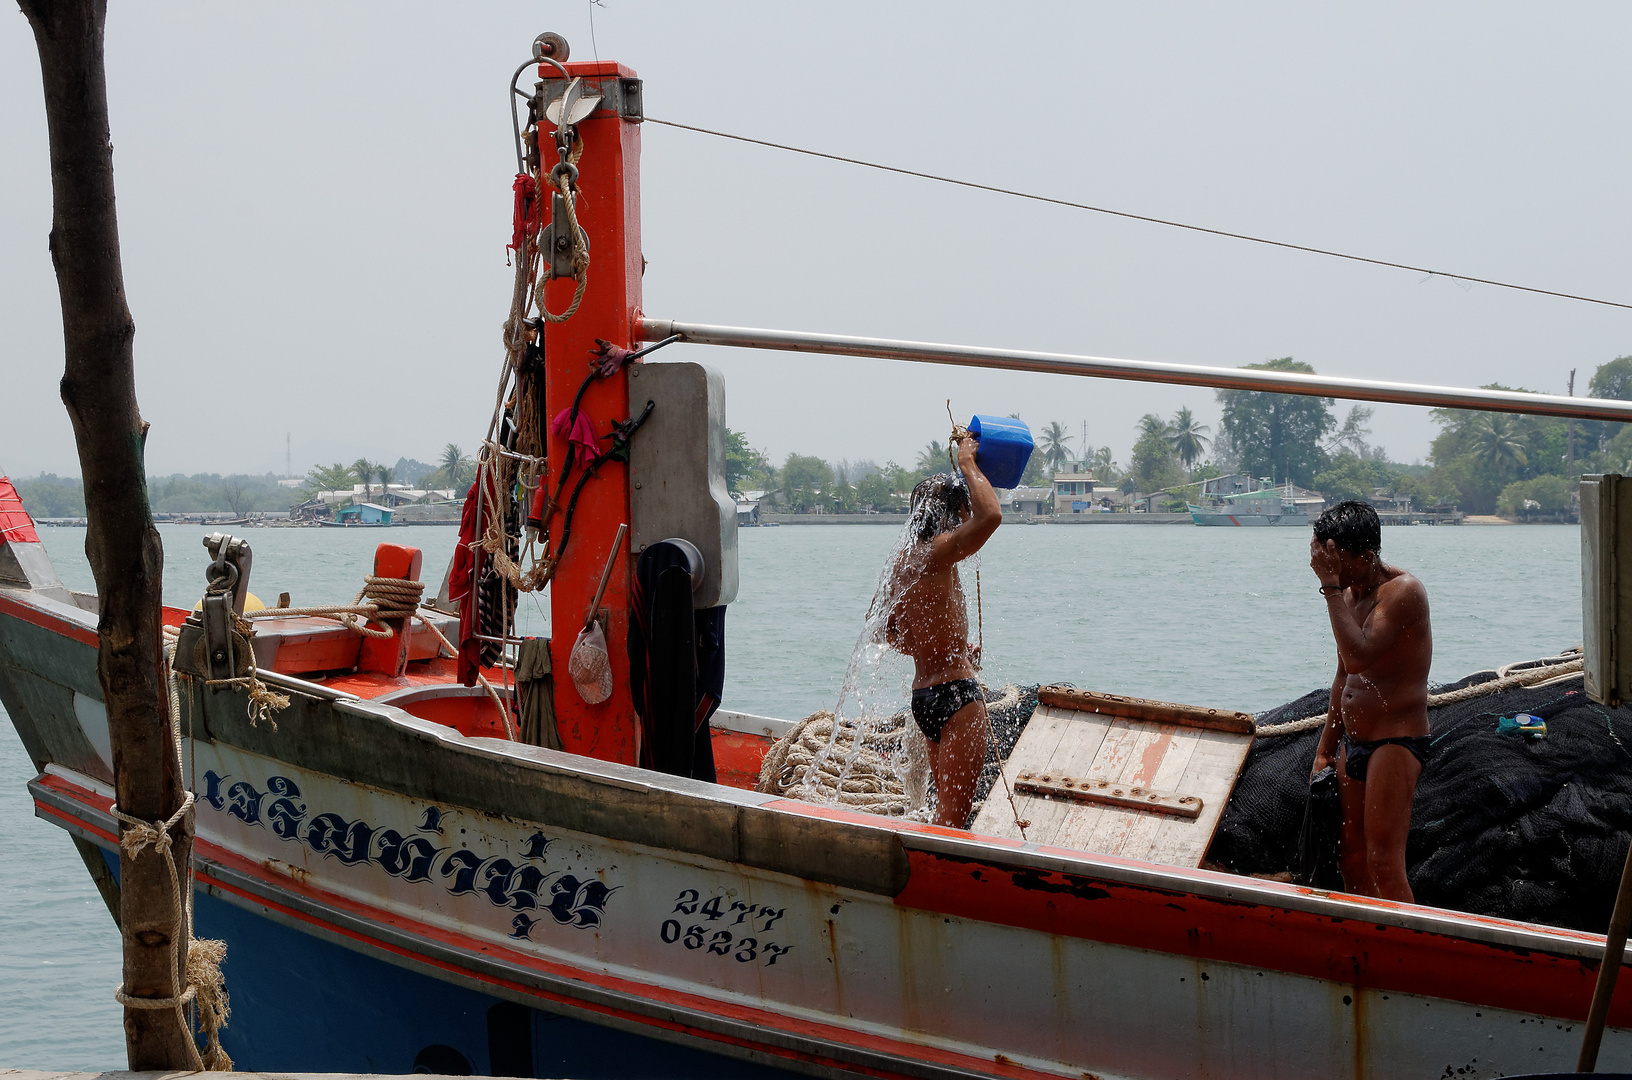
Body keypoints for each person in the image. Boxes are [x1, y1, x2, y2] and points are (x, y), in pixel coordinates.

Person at [1308, 500, 1432, 902]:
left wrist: (1328, 588)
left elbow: (1361, 653)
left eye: (1337, 563)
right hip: (1354, 743)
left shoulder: (1402, 591)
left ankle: (1405, 952)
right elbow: (1346, 671)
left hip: (1394, 741)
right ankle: (1362, 945)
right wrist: (1326, 748)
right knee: (1352, 858)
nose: (1332, 572)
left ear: (1367, 555)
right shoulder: (1349, 594)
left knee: (1383, 862)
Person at [882, 434, 1002, 827]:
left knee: (942, 813)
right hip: (957, 697)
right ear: (952, 515)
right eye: (963, 510)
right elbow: (991, 517)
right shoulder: (939, 551)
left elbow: (887, 631)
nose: (969, 518)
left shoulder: (904, 561)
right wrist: (968, 463)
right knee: (954, 818)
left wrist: (942, 648)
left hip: (925, 697)